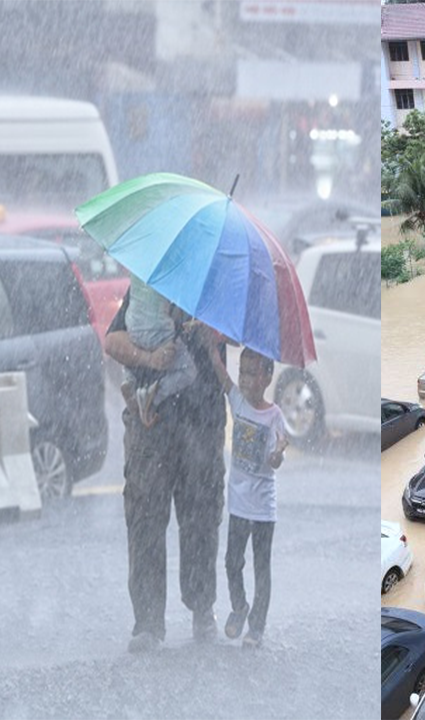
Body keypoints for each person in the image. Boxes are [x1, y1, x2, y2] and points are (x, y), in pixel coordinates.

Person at [105, 290, 227, 654]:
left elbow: (244, 339)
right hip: (150, 424)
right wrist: (150, 358)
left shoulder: (216, 287)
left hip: (203, 421)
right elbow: (113, 339)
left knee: (202, 516)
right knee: (144, 518)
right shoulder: (151, 280)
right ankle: (147, 621)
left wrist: (212, 332)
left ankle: (202, 606)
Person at [207, 342, 287, 650]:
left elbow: (273, 462)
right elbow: (222, 375)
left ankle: (257, 626)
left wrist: (278, 453)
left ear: (267, 377)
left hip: (263, 507)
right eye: (243, 372)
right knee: (231, 561)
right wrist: (211, 346)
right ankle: (239, 607)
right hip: (238, 503)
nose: (244, 379)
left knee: (261, 567)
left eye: (252, 373)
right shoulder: (237, 401)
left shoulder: (274, 416)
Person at [122, 275, 198, 427]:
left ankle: (129, 380)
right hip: (159, 331)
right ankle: (152, 394)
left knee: (131, 349)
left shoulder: (139, 269)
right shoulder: (170, 275)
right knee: (189, 371)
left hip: (132, 325)